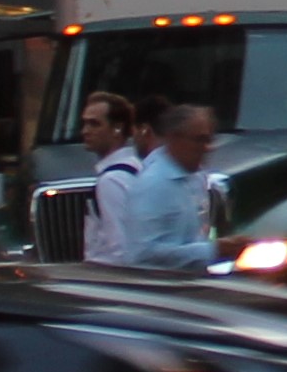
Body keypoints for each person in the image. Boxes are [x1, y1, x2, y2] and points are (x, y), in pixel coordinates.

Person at [103, 100, 222, 271]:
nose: (207, 148)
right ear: (175, 139)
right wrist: (213, 250)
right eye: (199, 140)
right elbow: (141, 254)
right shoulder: (153, 184)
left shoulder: (196, 178)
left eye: (209, 139)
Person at [73, 92, 142, 264]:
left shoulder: (111, 181)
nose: (85, 131)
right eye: (84, 123)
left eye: (94, 124)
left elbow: (120, 246)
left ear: (117, 128)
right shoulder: (138, 168)